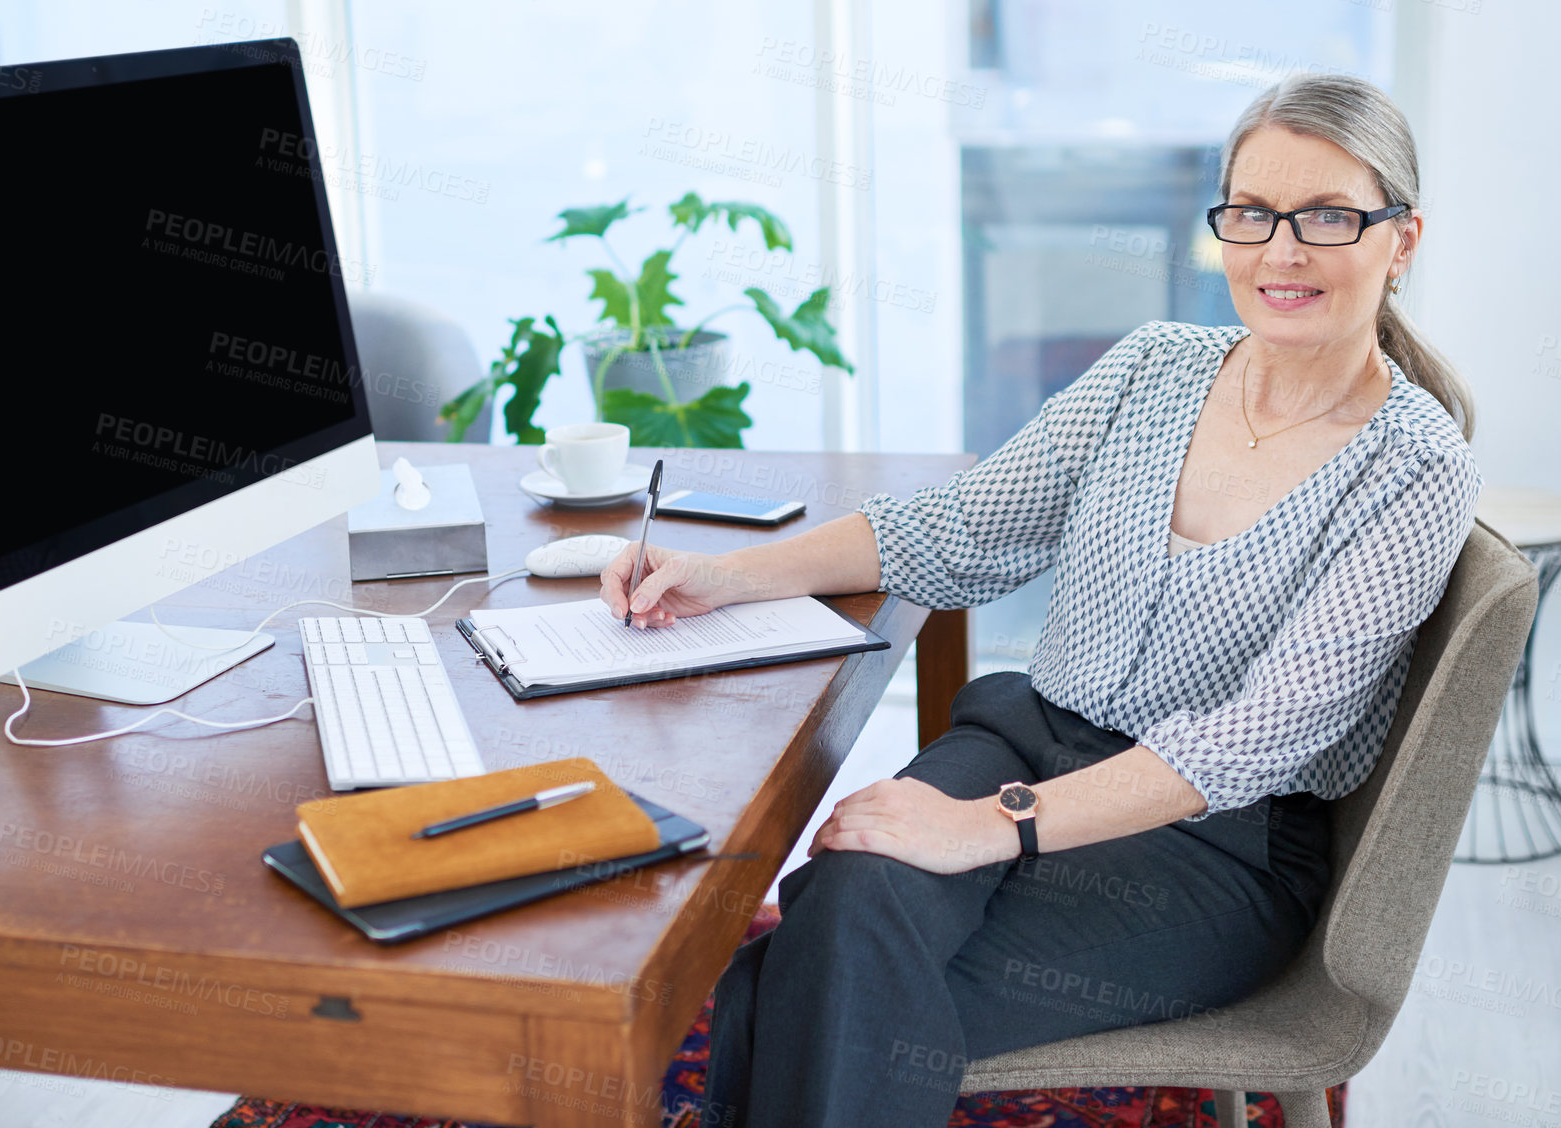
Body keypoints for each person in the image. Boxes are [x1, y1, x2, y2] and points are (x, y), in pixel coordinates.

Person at [597, 72, 1482, 1127]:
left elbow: (1245, 747)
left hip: (1216, 843)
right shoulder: (1154, 367)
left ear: (1401, 238)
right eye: (1251, 212)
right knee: (858, 874)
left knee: (802, 979)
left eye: (1328, 216)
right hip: (1029, 732)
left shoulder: (1413, 466)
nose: (1279, 252)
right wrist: (721, 575)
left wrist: (985, 827)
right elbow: (960, 528)